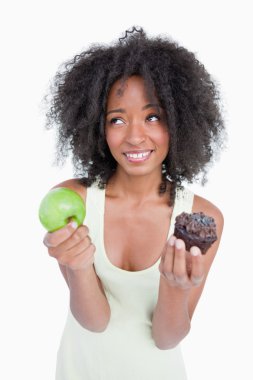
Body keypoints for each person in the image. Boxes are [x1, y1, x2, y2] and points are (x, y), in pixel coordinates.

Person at [42, 26, 225, 379]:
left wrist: (176, 286)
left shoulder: (203, 216)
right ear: (98, 127)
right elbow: (94, 322)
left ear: (179, 121)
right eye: (117, 119)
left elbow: (166, 338)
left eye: (152, 116)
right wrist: (78, 266)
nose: (135, 135)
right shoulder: (73, 200)